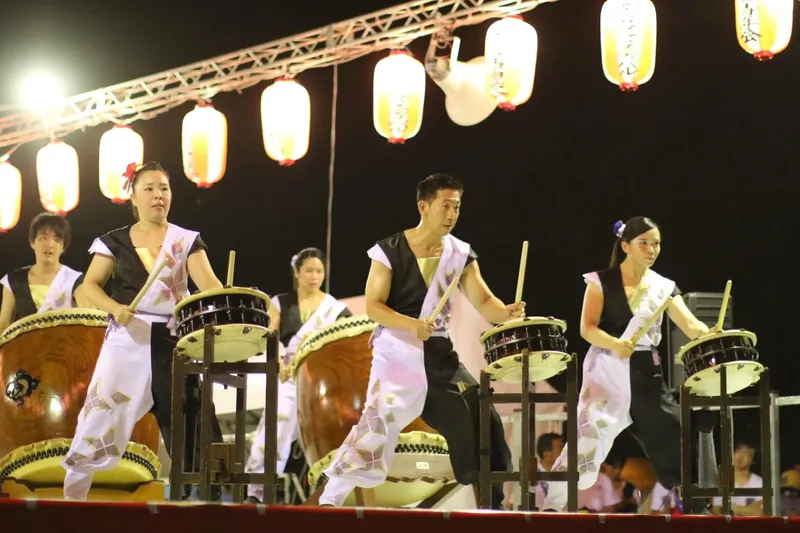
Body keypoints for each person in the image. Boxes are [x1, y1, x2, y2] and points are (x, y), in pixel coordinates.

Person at [308, 173, 524, 509]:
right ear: (424, 206)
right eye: (446, 205)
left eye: (457, 207)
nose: (452, 214)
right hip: (396, 352)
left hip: (439, 355)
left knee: (479, 415)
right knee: (376, 425)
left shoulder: (460, 254)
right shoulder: (388, 251)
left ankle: (492, 505)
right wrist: (412, 325)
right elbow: (374, 307)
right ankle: (332, 496)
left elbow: (485, 302)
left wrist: (506, 312)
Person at [61, 161, 226, 500]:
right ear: (133, 197)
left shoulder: (186, 240)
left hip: (175, 338)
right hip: (127, 338)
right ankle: (74, 494)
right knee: (101, 413)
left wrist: (222, 300)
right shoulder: (113, 242)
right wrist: (114, 308)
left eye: (164, 188)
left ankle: (204, 498)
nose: (158, 195)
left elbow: (210, 285)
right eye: (149, 189)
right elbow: (89, 286)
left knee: (190, 415)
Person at [542, 216, 719, 512]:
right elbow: (587, 328)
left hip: (646, 372)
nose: (652, 249)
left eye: (656, 243)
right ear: (625, 246)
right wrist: (615, 343)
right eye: (644, 243)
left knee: (673, 432)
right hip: (607, 368)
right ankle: (554, 503)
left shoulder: (663, 287)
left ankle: (689, 502)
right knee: (589, 437)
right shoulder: (600, 282)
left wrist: (709, 333)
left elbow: (691, 325)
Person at [245, 247, 352, 503]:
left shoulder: (336, 310)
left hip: (323, 384)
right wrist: (278, 361)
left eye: (319, 271)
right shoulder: (280, 302)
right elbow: (271, 335)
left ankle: (331, 492)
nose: (314, 277)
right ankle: (257, 491)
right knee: (277, 420)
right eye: (308, 271)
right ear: (296, 273)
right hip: (288, 377)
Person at [0, 212, 89, 333]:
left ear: (63, 247)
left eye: (57, 239)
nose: (50, 244)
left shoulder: (75, 280)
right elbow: (3, 326)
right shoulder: (14, 280)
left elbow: (89, 322)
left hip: (64, 348)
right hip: (23, 349)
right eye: (43, 238)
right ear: (32, 242)